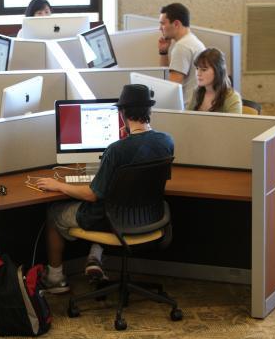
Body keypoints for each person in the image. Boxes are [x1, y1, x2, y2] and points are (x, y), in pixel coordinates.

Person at [35, 84, 174, 294]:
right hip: (150, 217)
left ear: (122, 113)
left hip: (111, 220)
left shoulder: (116, 150)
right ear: (150, 112)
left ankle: (55, 278)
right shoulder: (166, 141)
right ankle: (95, 257)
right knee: (110, 204)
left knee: (54, 214)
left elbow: (92, 195)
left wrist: (59, 185)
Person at [158, 3, 205, 107]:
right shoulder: (191, 41)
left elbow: (172, 88)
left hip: (186, 110)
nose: (160, 28)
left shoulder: (182, 47)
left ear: (176, 24)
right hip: (195, 106)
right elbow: (166, 73)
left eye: (162, 24)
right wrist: (163, 52)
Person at [190, 48, 242, 114]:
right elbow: (187, 119)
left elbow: (235, 124)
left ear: (218, 71)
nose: (198, 73)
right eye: (197, 68)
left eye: (204, 69)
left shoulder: (232, 98)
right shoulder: (196, 92)